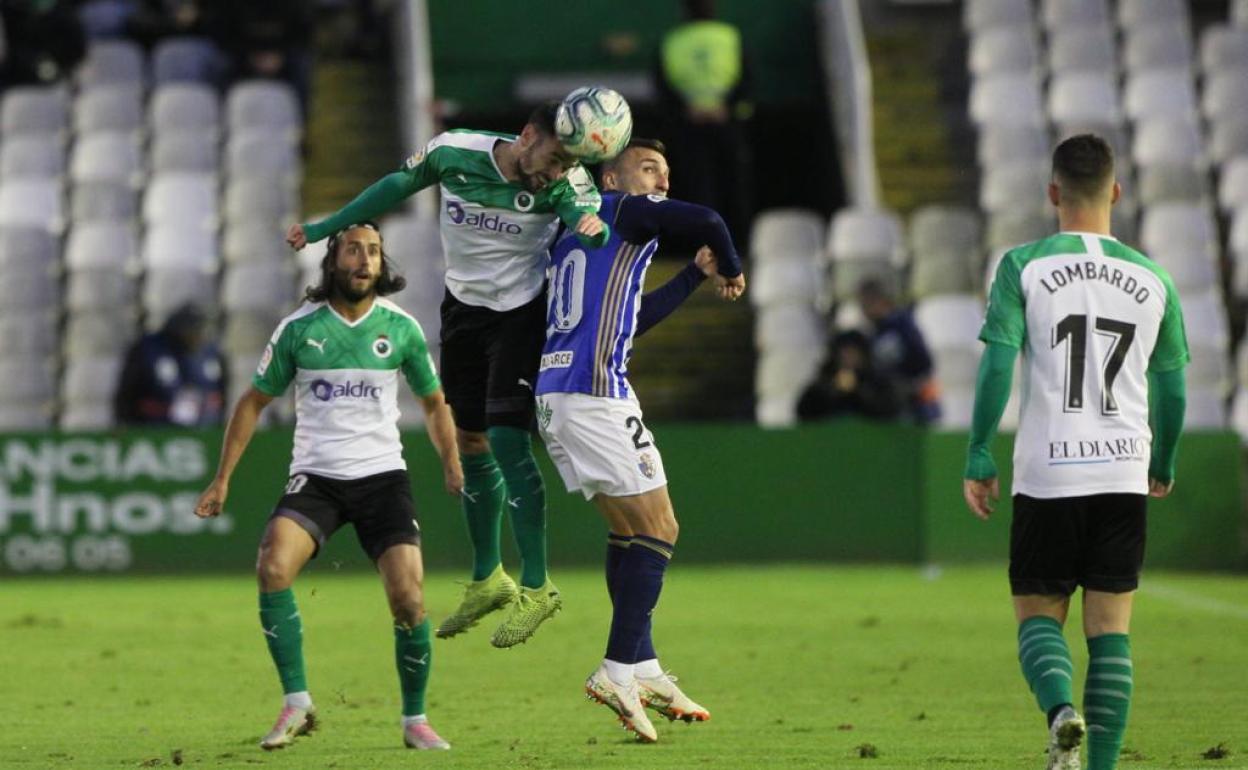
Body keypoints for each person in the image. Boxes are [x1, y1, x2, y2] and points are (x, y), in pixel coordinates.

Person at [286, 101, 609, 648]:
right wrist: (326, 227)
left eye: (566, 164)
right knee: (472, 442)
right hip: (462, 311)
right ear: (527, 134)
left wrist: (588, 224)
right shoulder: (455, 151)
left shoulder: (569, 183)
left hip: (520, 315)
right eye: (553, 158)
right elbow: (394, 185)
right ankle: (489, 579)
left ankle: (538, 586)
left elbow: (592, 226)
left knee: (509, 441)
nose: (555, 171)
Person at [963, 134, 1187, 770]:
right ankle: (1102, 766)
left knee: (1038, 615)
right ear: (1116, 191)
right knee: (1111, 629)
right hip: (1122, 468)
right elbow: (1172, 385)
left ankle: (1061, 711)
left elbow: (998, 365)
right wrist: (1162, 460)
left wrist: (980, 452)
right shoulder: (1155, 278)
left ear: (1053, 193)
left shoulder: (1024, 266)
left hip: (1049, 470)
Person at [193, 223, 462, 751]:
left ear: (382, 265)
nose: (365, 260)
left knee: (409, 599)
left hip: (383, 477)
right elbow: (252, 402)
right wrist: (222, 478)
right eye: (354, 250)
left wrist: (451, 462)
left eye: (375, 252)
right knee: (272, 566)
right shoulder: (299, 329)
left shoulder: (401, 329)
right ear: (333, 261)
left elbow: (434, 403)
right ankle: (297, 703)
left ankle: (415, 720)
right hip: (317, 477)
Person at [534, 138, 745, 743]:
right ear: (611, 175)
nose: (662, 181)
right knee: (660, 529)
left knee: (629, 531)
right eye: (649, 167)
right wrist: (730, 267)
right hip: (594, 392)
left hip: (560, 392)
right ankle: (616, 668)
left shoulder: (577, 232)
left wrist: (695, 277)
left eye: (667, 172)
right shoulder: (622, 210)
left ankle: (642, 664)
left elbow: (632, 320)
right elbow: (709, 220)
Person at [656, 0, 753, 244]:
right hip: (726, 123)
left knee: (700, 187)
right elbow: (747, 77)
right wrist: (727, 107)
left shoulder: (673, 41)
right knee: (735, 185)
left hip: (690, 125)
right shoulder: (729, 37)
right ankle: (740, 244)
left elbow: (662, 83)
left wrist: (685, 110)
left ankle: (706, 244)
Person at [114, 303, 226, 426]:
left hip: (204, 429)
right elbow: (127, 394)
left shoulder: (211, 352)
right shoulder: (149, 350)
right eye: (191, 330)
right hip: (155, 429)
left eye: (200, 330)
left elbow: (221, 392)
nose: (196, 336)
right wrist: (126, 422)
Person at [857, 278, 940, 424]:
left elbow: (923, 362)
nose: (864, 310)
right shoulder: (874, 333)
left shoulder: (902, 327)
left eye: (866, 304)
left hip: (911, 406)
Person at [796, 329, 903, 421]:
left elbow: (890, 412)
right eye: (844, 353)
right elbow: (804, 413)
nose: (848, 359)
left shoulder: (878, 382)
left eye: (853, 353)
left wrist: (860, 391)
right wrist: (831, 392)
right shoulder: (823, 383)